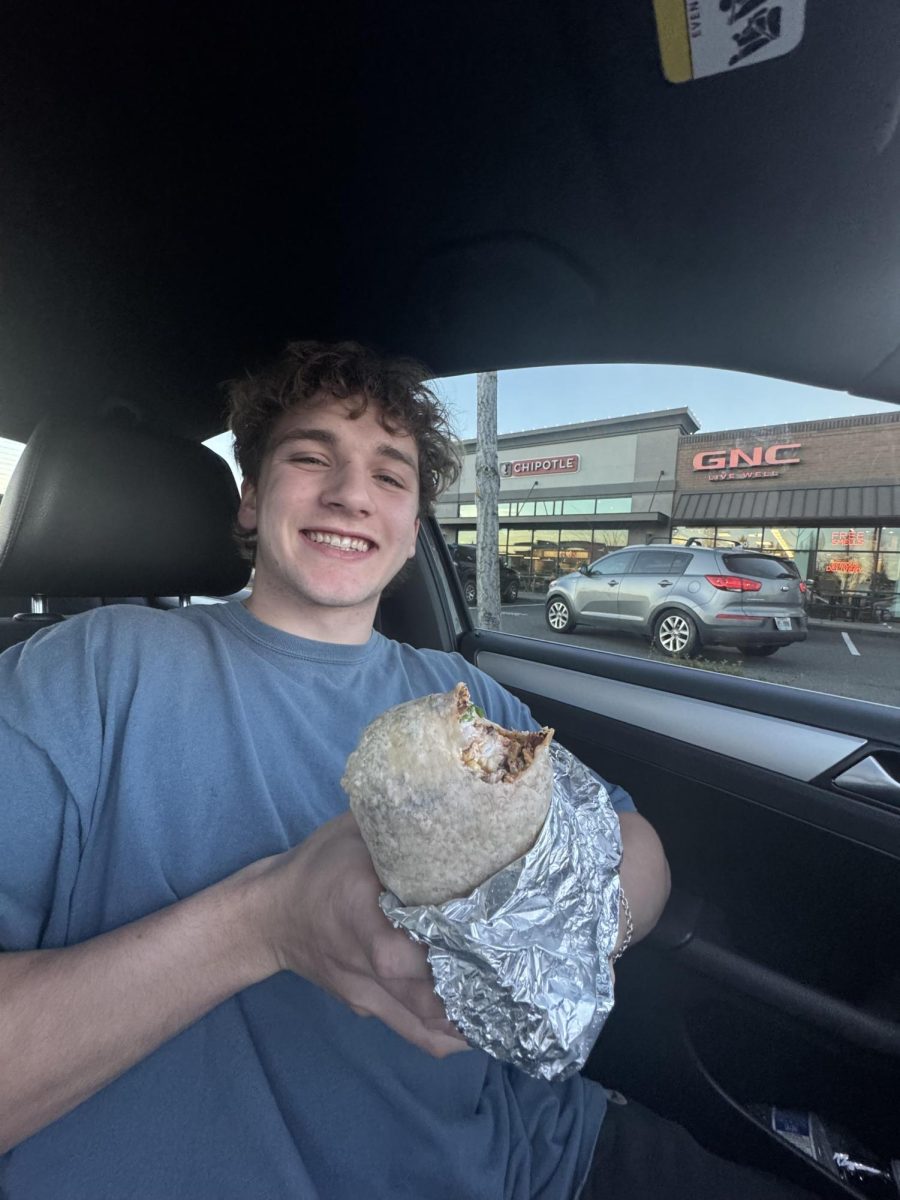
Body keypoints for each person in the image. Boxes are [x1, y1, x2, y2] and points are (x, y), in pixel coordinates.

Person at [0, 342, 820, 1199]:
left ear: (413, 522)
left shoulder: (462, 695)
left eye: (390, 476)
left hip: (539, 1156)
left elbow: (635, 846)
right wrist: (264, 923)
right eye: (310, 456)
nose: (352, 493)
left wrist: (560, 933)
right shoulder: (84, 675)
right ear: (250, 498)